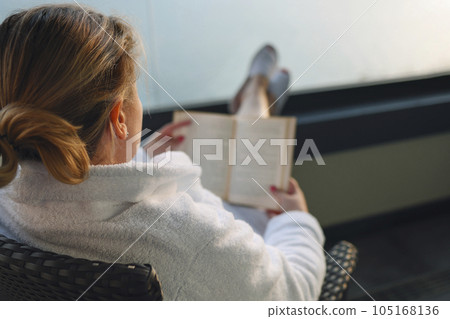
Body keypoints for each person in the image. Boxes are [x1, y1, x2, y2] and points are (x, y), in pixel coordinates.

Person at [0, 4, 325, 300]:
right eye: (136, 93)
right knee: (253, 160)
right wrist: (296, 218)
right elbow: (293, 292)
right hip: (251, 243)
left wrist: (142, 154)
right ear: (119, 118)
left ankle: (255, 96)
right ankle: (256, 94)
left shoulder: (9, 193)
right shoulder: (190, 239)